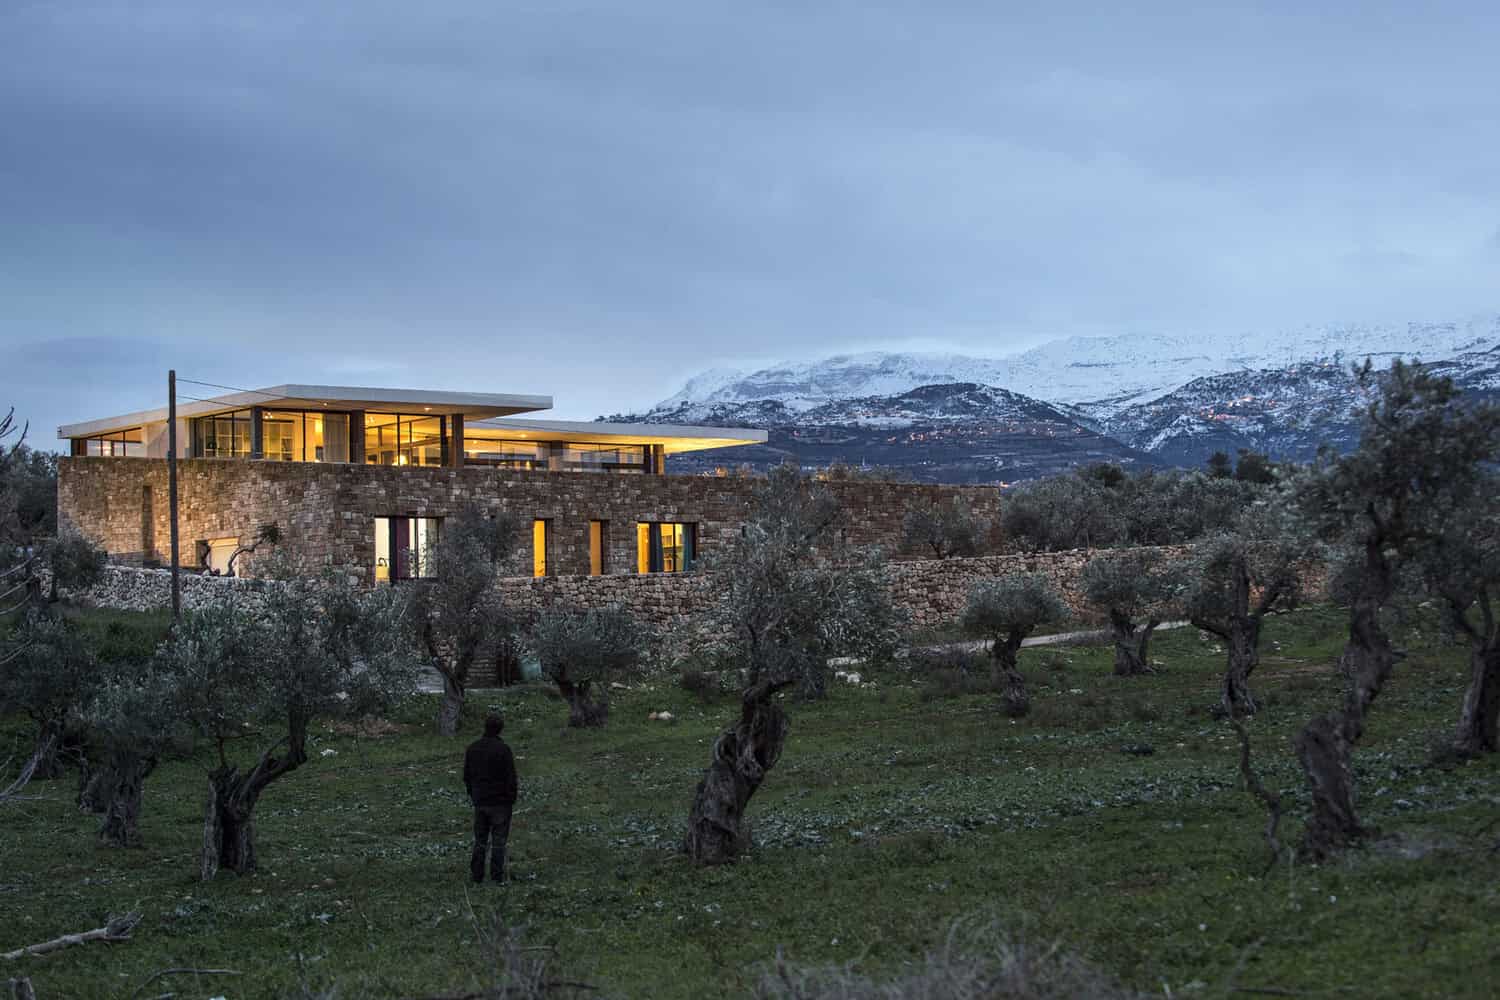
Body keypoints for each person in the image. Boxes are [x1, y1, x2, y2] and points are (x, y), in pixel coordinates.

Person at [463, 713, 518, 884]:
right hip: (500, 802)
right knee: (499, 841)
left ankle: (476, 876)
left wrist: (474, 794)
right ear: (500, 729)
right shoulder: (503, 750)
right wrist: (511, 798)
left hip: (481, 800)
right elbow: (511, 777)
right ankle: (497, 877)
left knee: (480, 840)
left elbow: (467, 776)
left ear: (485, 727)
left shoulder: (473, 748)